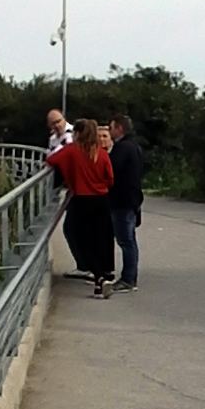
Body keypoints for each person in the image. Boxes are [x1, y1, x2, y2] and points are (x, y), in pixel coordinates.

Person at [42, 121, 123, 297]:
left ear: (78, 133)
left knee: (80, 239)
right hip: (101, 200)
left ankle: (97, 276)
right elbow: (110, 179)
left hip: (81, 199)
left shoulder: (71, 151)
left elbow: (51, 159)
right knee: (102, 238)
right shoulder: (101, 154)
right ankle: (106, 274)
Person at [102, 119, 154, 290]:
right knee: (128, 238)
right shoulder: (134, 147)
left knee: (126, 240)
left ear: (119, 128)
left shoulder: (123, 148)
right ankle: (129, 276)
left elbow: (111, 168)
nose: (109, 132)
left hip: (123, 200)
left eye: (111, 128)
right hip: (131, 198)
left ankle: (128, 278)